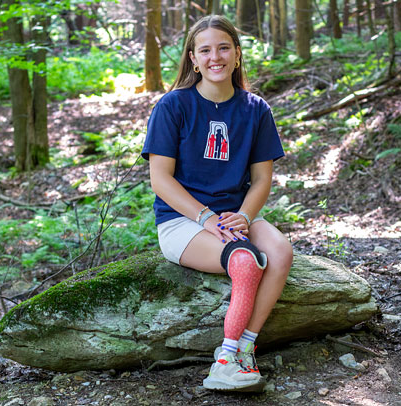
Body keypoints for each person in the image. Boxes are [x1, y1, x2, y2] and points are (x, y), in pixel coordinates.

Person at [140, 15, 293, 392]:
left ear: (237, 55)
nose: (215, 57)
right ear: (193, 59)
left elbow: (261, 179)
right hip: (182, 221)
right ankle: (223, 362)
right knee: (245, 260)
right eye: (205, 50)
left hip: (233, 216)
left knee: (280, 250)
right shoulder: (173, 106)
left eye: (224, 48)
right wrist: (206, 217)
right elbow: (160, 179)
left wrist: (243, 215)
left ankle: (244, 348)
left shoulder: (255, 109)